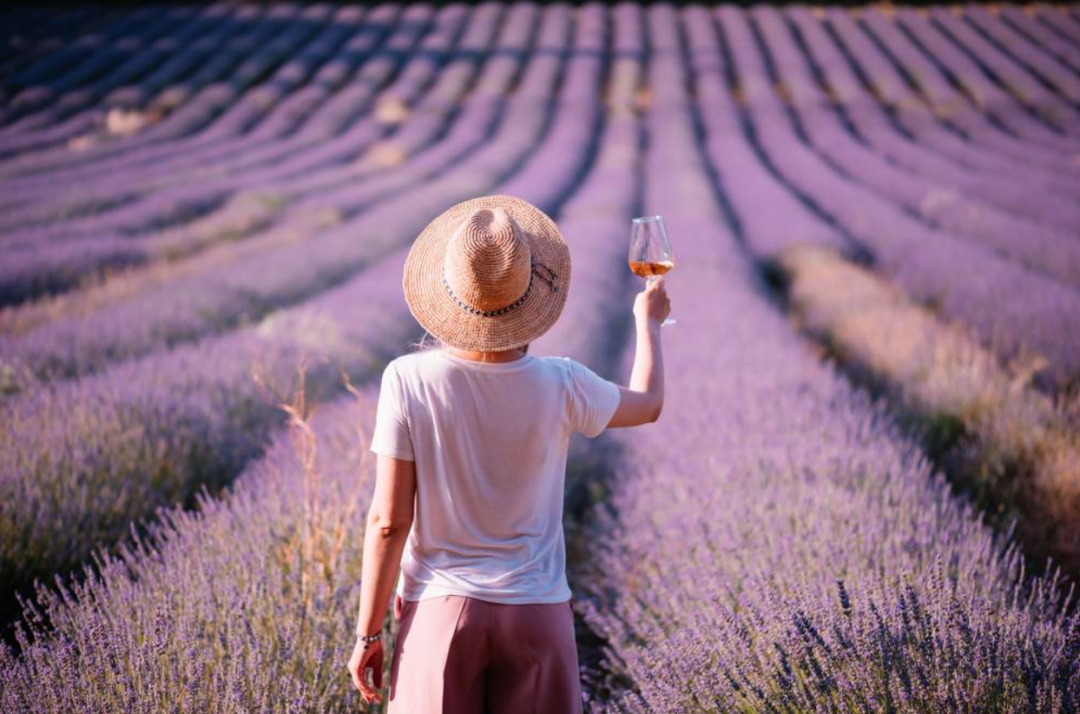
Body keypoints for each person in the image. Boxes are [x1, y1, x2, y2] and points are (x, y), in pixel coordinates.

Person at [346, 194, 670, 712]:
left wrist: (367, 635)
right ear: (529, 291)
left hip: (441, 611)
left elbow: (388, 521)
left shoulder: (407, 379)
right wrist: (647, 322)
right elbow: (649, 404)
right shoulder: (562, 381)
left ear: (450, 293)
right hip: (537, 613)